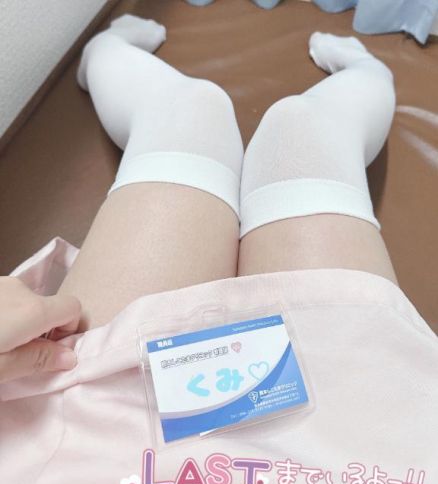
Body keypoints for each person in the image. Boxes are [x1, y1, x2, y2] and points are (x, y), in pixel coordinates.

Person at [1, 15, 397, 382]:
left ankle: (104, 51)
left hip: (87, 397)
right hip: (362, 403)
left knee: (198, 106)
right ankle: (370, 73)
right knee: (298, 124)